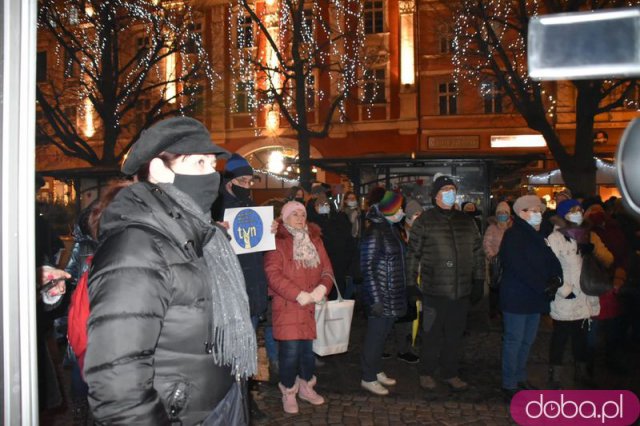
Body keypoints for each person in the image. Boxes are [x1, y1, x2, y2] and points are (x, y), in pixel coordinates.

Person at [84, 116, 257, 425]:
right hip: (182, 415)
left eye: (211, 165)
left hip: (221, 399)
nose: (211, 176)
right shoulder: (135, 246)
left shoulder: (199, 235)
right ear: (159, 169)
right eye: (198, 163)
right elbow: (117, 383)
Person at [406, 174, 485, 392]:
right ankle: (426, 371)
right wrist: (411, 284)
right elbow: (413, 254)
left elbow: (478, 254)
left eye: (452, 188)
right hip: (434, 291)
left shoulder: (466, 221)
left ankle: (450, 372)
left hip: (461, 292)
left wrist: (479, 280)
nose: (450, 193)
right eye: (445, 189)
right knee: (431, 335)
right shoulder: (425, 221)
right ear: (435, 196)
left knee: (455, 336)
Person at [264, 201, 334, 414]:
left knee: (307, 354)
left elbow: (327, 269)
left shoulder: (315, 240)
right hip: (288, 305)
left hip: (310, 305)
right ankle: (288, 391)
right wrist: (299, 294)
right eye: (294, 214)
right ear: (284, 217)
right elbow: (272, 274)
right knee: (290, 353)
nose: (299, 217)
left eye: (302, 213)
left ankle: (305, 387)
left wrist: (322, 289)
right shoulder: (277, 240)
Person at [214, 153, 269, 421]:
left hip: (253, 288)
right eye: (243, 180)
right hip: (235, 294)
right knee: (235, 351)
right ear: (229, 183)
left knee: (249, 348)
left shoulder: (251, 207)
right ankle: (235, 401)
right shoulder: (218, 212)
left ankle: (246, 395)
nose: (247, 185)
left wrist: (270, 230)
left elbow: (257, 253)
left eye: (250, 181)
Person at [498, 195, 562, 399]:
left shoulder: (540, 234)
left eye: (539, 211)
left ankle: (520, 376)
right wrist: (543, 286)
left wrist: (556, 277)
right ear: (521, 213)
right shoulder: (514, 235)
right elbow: (518, 267)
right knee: (514, 340)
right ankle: (509, 383)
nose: (538, 214)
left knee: (527, 340)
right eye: (533, 210)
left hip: (534, 297)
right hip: (517, 297)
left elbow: (552, 260)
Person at [546, 199, 612, 389]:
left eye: (580, 210)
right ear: (563, 214)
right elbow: (551, 268)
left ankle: (581, 373)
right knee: (560, 337)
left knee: (581, 338)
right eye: (573, 210)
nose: (578, 213)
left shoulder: (586, 235)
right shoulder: (556, 238)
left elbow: (602, 260)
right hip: (566, 297)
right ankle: (555, 375)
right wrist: (564, 291)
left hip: (584, 296)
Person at [359, 191, 412, 395]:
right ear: (390, 210)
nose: (402, 212)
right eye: (399, 208)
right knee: (375, 337)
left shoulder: (390, 228)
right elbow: (367, 267)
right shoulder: (375, 232)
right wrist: (375, 298)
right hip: (380, 295)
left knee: (382, 337)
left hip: (392, 293)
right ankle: (368, 377)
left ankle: (376, 369)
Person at [309, 192, 355, 299]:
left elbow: (348, 240)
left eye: (326, 205)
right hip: (319, 265)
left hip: (338, 263)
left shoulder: (339, 219)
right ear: (315, 207)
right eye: (320, 205)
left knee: (337, 290)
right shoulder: (311, 222)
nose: (324, 207)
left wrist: (346, 261)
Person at [483, 201, 513, 322]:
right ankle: (494, 311)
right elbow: (486, 244)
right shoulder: (492, 228)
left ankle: (505, 310)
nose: (502, 215)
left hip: (510, 263)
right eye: (500, 213)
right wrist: (493, 257)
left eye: (505, 212)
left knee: (508, 289)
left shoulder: (513, 228)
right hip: (496, 263)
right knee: (495, 289)